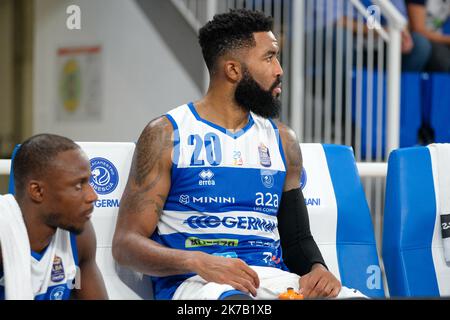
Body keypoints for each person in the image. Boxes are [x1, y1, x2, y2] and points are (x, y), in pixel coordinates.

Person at [113, 9, 363, 300]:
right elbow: (125, 245)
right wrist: (196, 261)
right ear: (233, 70)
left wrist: (316, 267)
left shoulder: (283, 140)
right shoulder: (167, 134)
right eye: (269, 57)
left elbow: (297, 239)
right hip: (197, 284)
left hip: (271, 280)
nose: (279, 69)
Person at [0, 134, 108, 300]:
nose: (93, 196)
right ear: (37, 191)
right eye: (79, 185)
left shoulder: (80, 236)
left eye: (89, 182)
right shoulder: (3, 231)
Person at [406, 0, 450, 72]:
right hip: (417, 39)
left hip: (438, 39)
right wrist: (447, 40)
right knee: (443, 60)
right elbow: (418, 30)